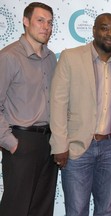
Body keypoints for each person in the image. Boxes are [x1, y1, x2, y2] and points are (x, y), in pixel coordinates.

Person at [49, 13, 111, 216]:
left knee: (106, 210)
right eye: (104, 28)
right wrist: (59, 145)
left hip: (110, 147)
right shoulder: (71, 57)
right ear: (94, 30)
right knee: (76, 210)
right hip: (77, 148)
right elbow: (58, 103)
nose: (110, 33)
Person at [0, 2, 58, 216]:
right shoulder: (9, 57)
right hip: (21, 141)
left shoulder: (51, 58)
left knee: (42, 207)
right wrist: (10, 142)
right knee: (16, 207)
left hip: (49, 142)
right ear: (25, 22)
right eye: (40, 20)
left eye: (50, 22)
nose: (46, 27)